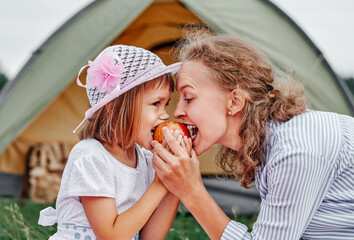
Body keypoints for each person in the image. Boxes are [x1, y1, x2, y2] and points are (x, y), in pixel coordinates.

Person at [151, 33, 354, 240]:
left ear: (235, 101)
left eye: (188, 98)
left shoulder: (295, 151)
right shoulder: (268, 141)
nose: (177, 113)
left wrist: (191, 191)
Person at [38, 45, 190, 240]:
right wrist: (159, 185)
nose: (165, 115)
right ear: (115, 107)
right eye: (155, 104)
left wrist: (173, 183)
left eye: (166, 104)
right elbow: (111, 235)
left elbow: (150, 237)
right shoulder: (92, 157)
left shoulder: (144, 160)